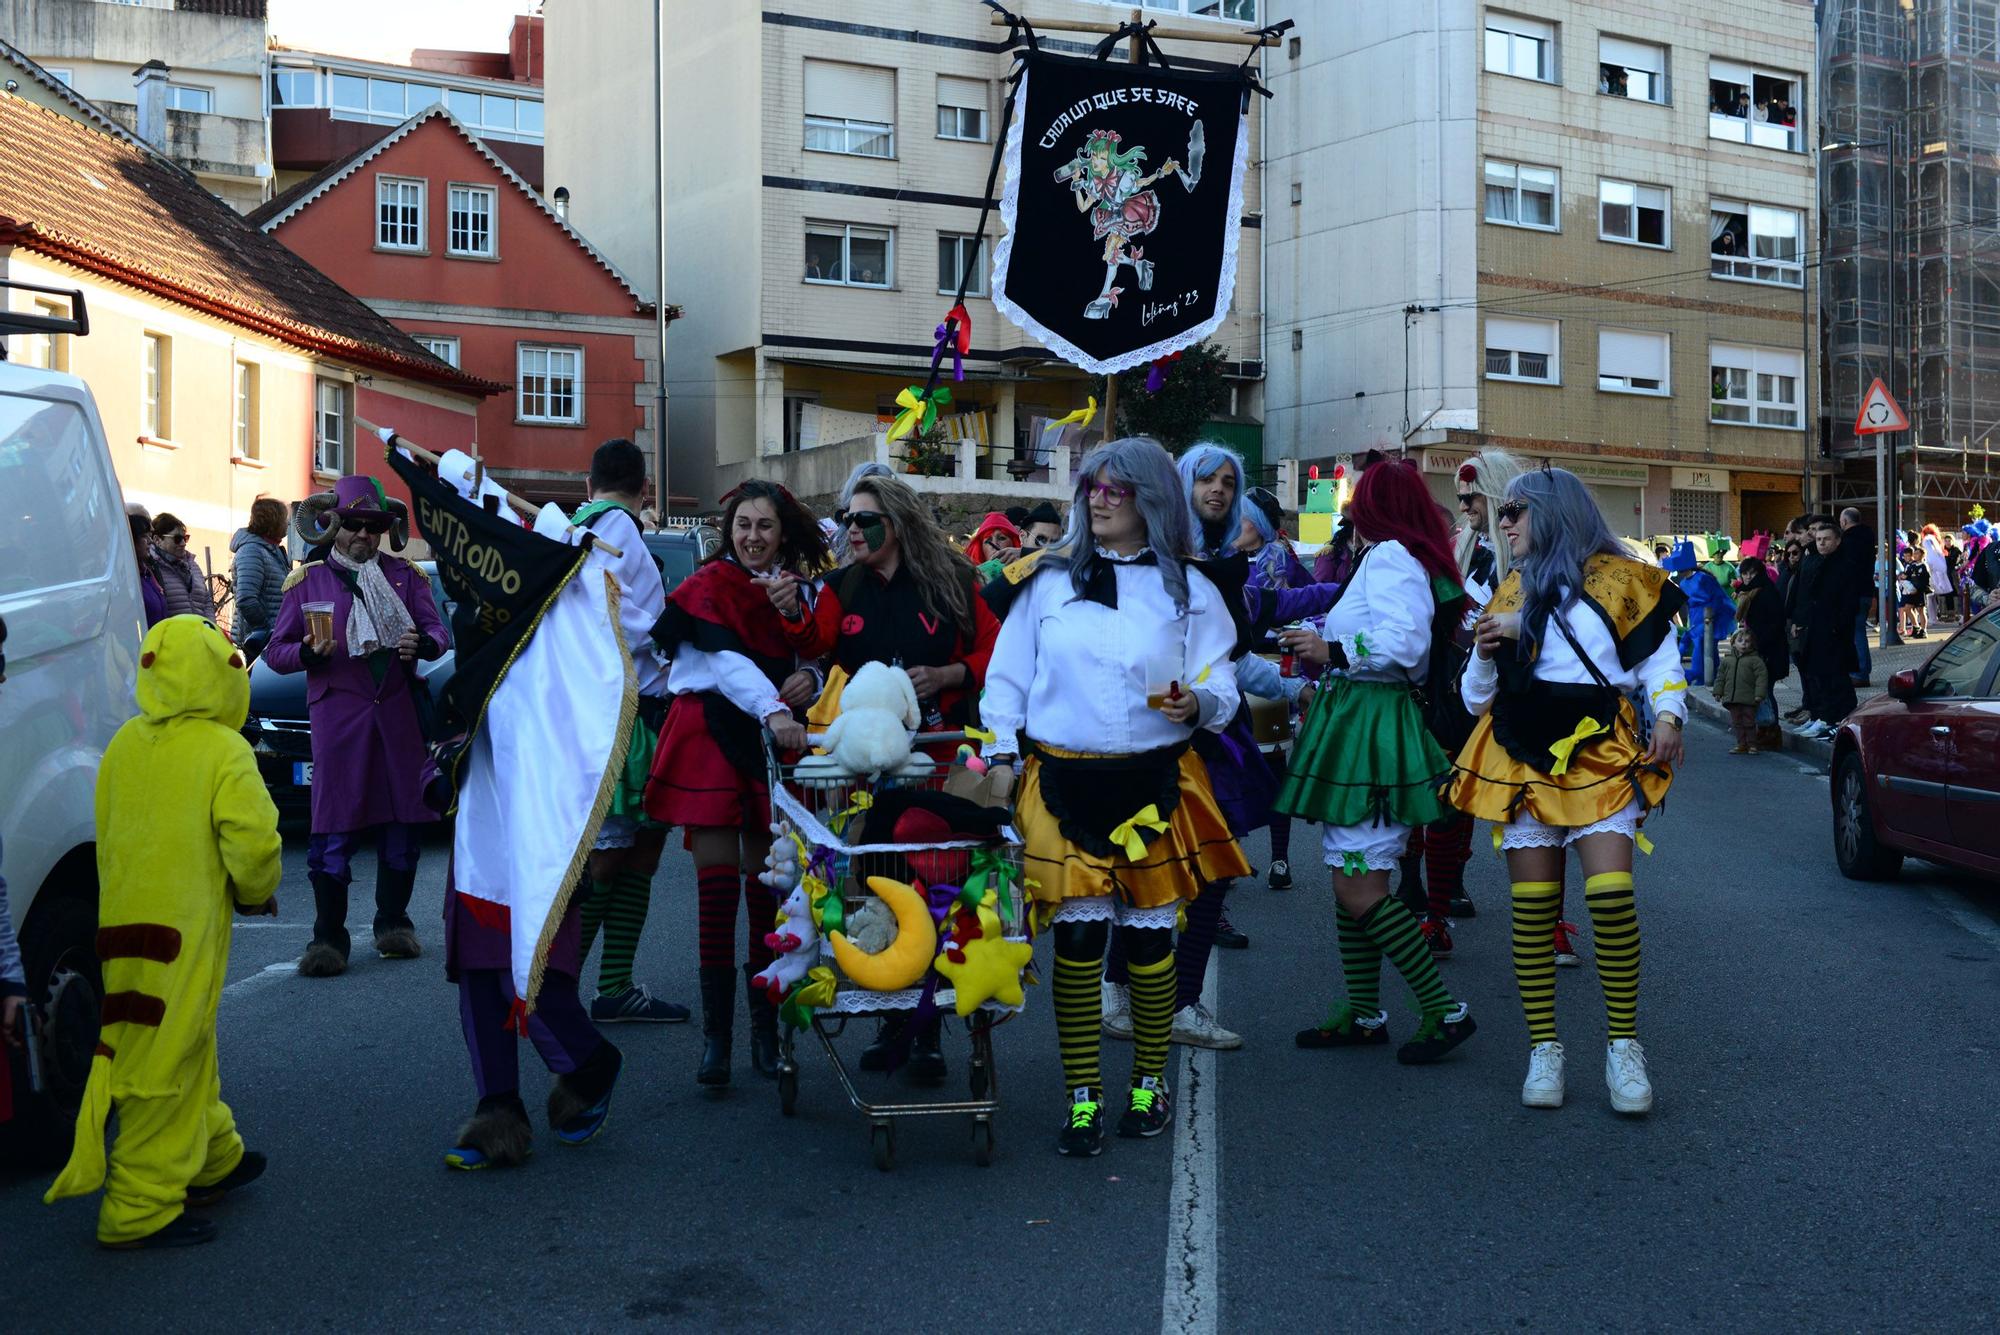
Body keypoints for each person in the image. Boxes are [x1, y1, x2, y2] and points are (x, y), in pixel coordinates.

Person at [979, 437, 1250, 1155]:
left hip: (1155, 781)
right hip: (1064, 781)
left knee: (1151, 941)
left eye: (1115, 488)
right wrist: (1000, 753)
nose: (1097, 496)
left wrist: (1199, 702)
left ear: (1151, 498)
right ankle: (1081, 1095)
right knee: (1076, 939)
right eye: (1092, 486)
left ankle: (1148, 1083)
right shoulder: (1044, 581)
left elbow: (1223, 676)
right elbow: (1006, 680)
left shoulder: (1189, 587)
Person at [1447, 466, 1687, 1115]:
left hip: (1600, 751)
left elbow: (1662, 664)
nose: (1503, 522)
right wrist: (1488, 651)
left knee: (1610, 899)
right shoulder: (1510, 587)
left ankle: (1623, 1047)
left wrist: (1668, 716)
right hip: (1521, 755)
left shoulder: (1624, 577)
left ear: (1552, 513)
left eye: (1515, 511)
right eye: (1502, 512)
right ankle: (1544, 1049)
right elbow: (1475, 700)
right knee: (1533, 911)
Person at [43, 616, 282, 1248]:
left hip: (121, 924)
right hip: (183, 930)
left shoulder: (124, 743)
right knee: (165, 1057)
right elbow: (254, 845)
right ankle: (139, 1206)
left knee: (168, 1041)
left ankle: (210, 1156)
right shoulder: (222, 749)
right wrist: (258, 894)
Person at [764, 472, 1001, 1075]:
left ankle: (930, 1029)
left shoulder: (952, 579)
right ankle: (895, 1020)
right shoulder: (841, 585)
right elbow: (816, 642)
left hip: (940, 757)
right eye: (846, 519)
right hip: (863, 767)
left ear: (895, 521)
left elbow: (994, 649)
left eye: (863, 519)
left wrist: (949, 676)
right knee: (876, 887)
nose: (851, 530)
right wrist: (793, 610)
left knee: (936, 886)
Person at [1279, 458, 1478, 1065]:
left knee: (1357, 881)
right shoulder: (1402, 556)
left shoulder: (1390, 555)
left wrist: (1330, 646)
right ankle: (1364, 1013)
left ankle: (1443, 1010)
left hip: (1373, 727)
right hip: (1369, 721)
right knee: (1353, 879)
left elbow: (1406, 644)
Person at [645, 480, 825, 1085]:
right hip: (714, 735)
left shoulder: (800, 591)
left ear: (784, 533)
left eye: (764, 526)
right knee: (719, 896)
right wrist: (776, 705)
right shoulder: (707, 585)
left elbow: (817, 656)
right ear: (730, 530)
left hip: (772, 739)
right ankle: (717, 1041)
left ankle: (765, 1035)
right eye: (743, 524)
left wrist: (811, 683)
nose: (752, 536)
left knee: (765, 892)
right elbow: (723, 663)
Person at [264, 474, 448, 976]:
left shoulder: (407, 577)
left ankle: (393, 923)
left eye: (373, 527)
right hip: (337, 716)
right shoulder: (308, 581)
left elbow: (437, 631)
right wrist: (304, 652)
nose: (363, 536)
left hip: (396, 713)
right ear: (333, 526)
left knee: (401, 821)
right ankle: (328, 938)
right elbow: (275, 652)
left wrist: (425, 645)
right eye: (353, 526)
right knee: (333, 824)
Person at [566, 440, 691, 1024]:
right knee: (609, 861)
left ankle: (614, 986)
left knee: (641, 852)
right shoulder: (613, 527)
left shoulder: (581, 524)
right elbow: (607, 612)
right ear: (646, 490)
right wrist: (674, 636)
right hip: (624, 716)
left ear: (587, 482)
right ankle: (556, 989)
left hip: (631, 713)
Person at [1240, 485, 1309, 894]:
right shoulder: (1219, 555)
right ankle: (1229, 853)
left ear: (1261, 527)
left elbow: (1308, 601)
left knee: (1271, 765)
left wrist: (1296, 633)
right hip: (1225, 673)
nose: (1238, 524)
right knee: (1228, 764)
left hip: (1266, 668)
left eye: (1246, 519)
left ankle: (1279, 857)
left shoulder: (1278, 559)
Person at [1732, 555, 1788, 750]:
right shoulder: (1750, 592)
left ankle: (1771, 730)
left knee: (1765, 690)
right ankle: (1765, 729)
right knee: (1762, 690)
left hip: (1768, 650)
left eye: (1752, 573)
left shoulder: (1765, 592)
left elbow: (1774, 624)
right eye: (1745, 573)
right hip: (1759, 648)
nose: (1748, 577)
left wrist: (1758, 647)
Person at [227, 498, 292, 656]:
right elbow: (246, 598)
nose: (288, 523)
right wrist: (268, 630)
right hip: (256, 644)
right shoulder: (252, 551)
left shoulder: (272, 550)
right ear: (273, 521)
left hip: (271, 640)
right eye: (284, 519)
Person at [1712, 628, 1770, 754]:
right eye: (1740, 641)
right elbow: (1720, 677)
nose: (1744, 643)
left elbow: (1761, 678)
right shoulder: (1727, 661)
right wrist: (1718, 692)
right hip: (1732, 698)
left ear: (1752, 644)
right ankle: (1741, 744)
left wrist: (1759, 695)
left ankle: (1752, 744)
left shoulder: (1756, 661)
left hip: (1749, 698)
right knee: (1737, 723)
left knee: (1749, 722)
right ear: (1733, 643)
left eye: (1747, 641)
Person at [149, 514, 215, 621]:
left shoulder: (193, 566)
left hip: (199, 634)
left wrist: (210, 628)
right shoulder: (151, 567)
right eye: (177, 539)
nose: (183, 543)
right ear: (157, 540)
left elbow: (207, 602)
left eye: (185, 538)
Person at [1838, 508, 1876, 687]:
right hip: (1866, 590)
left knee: (1856, 632)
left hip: (1853, 592)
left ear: (1845, 522)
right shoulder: (1867, 537)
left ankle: (1859, 672)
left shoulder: (1848, 540)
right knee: (1859, 630)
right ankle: (1861, 670)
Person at [965, 511, 1024, 583]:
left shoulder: (1029, 574)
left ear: (1014, 543)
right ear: (981, 549)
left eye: (1002, 538)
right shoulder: (970, 580)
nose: (994, 544)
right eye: (988, 541)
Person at [131, 513, 167, 628]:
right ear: (132, 540)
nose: (150, 541)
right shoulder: (128, 579)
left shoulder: (147, 574)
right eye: (145, 536)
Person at [1897, 541, 1931, 640]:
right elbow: (1906, 575)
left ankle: (1924, 630)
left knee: (1921, 610)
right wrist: (1901, 577)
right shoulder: (1912, 566)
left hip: (1919, 592)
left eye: (1917, 553)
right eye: (1914, 553)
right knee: (1907, 608)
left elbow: (1926, 580)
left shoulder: (1924, 566)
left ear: (1922, 555)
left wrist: (1919, 588)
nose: (1915, 555)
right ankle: (1916, 626)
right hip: (1912, 591)